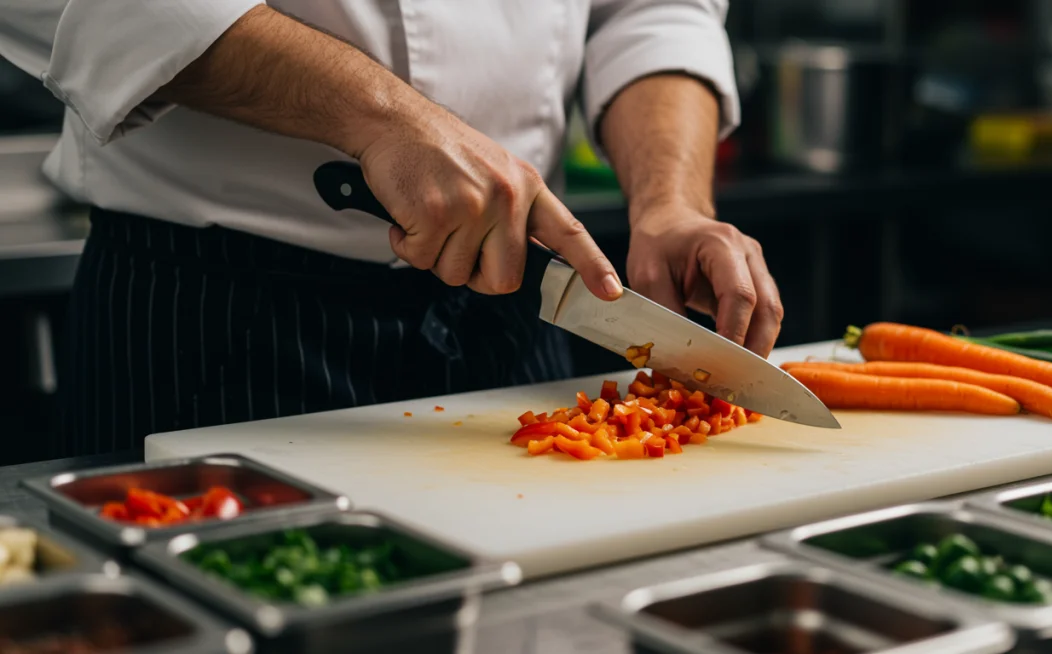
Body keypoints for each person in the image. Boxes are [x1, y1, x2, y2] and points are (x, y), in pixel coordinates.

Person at [0, 1, 783, 457]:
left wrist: (670, 201)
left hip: (512, 303)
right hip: (212, 326)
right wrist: (381, 117)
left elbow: (649, 8)